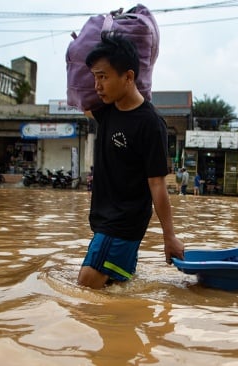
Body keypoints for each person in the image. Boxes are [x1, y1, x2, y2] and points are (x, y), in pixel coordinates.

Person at [77, 34, 185, 289]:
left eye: (103, 77)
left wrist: (169, 237)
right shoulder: (107, 112)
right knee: (115, 292)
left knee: (85, 287)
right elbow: (78, 100)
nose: (97, 85)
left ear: (128, 77)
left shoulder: (150, 124)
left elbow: (158, 185)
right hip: (106, 221)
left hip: (121, 225)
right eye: (94, 77)